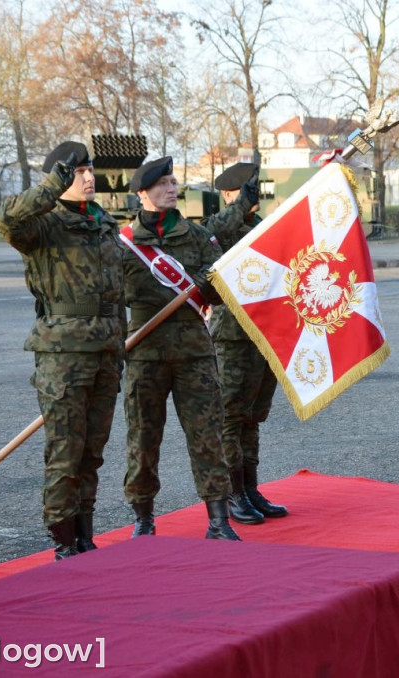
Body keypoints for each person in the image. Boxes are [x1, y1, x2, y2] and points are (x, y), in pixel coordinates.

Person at [0, 142, 126, 559]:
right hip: (64, 356)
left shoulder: (105, 225)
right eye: (79, 171)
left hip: (105, 350)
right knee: (66, 451)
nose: (89, 178)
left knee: (92, 452)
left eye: (89, 171)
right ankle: (64, 542)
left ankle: (86, 535)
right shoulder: (43, 226)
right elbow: (5, 218)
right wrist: (52, 184)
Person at [120, 155, 239, 541]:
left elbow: (224, 288)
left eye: (173, 182)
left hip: (194, 352)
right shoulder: (124, 243)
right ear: (143, 193)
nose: (172, 188)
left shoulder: (198, 237)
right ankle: (143, 520)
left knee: (208, 436)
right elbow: (110, 291)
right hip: (145, 352)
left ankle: (219, 521)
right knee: (143, 438)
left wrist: (207, 285)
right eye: (162, 184)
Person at [204, 162, 288, 524]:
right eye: (246, 189)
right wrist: (239, 208)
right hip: (233, 334)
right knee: (231, 414)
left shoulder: (257, 225)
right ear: (228, 194)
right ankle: (232, 491)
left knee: (253, 414)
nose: (255, 195)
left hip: (264, 330)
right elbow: (211, 233)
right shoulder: (222, 226)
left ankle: (250, 487)